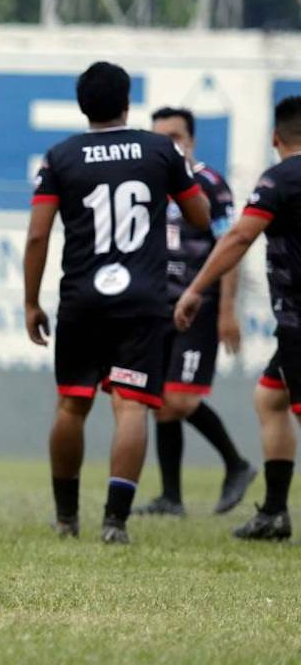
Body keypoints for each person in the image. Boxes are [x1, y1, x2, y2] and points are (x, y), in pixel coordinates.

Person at [23, 62, 209, 544]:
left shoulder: (60, 157)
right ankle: (115, 522)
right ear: (127, 103)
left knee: (72, 404)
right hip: (143, 299)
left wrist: (31, 303)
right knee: (131, 406)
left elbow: (38, 235)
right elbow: (200, 215)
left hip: (82, 298)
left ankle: (66, 519)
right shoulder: (159, 150)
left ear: (83, 106)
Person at [176, 95, 301, 541]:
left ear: (275, 138)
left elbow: (239, 237)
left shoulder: (281, 179)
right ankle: (274, 513)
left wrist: (196, 289)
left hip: (300, 321)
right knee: (270, 399)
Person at [134, 107, 256, 517]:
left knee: (180, 400)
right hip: (158, 307)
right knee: (161, 401)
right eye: (160, 137)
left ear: (191, 141)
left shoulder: (210, 185)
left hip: (199, 308)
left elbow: (231, 249)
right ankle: (171, 498)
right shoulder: (151, 182)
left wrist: (226, 311)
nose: (168, 144)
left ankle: (237, 464)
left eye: (175, 136)